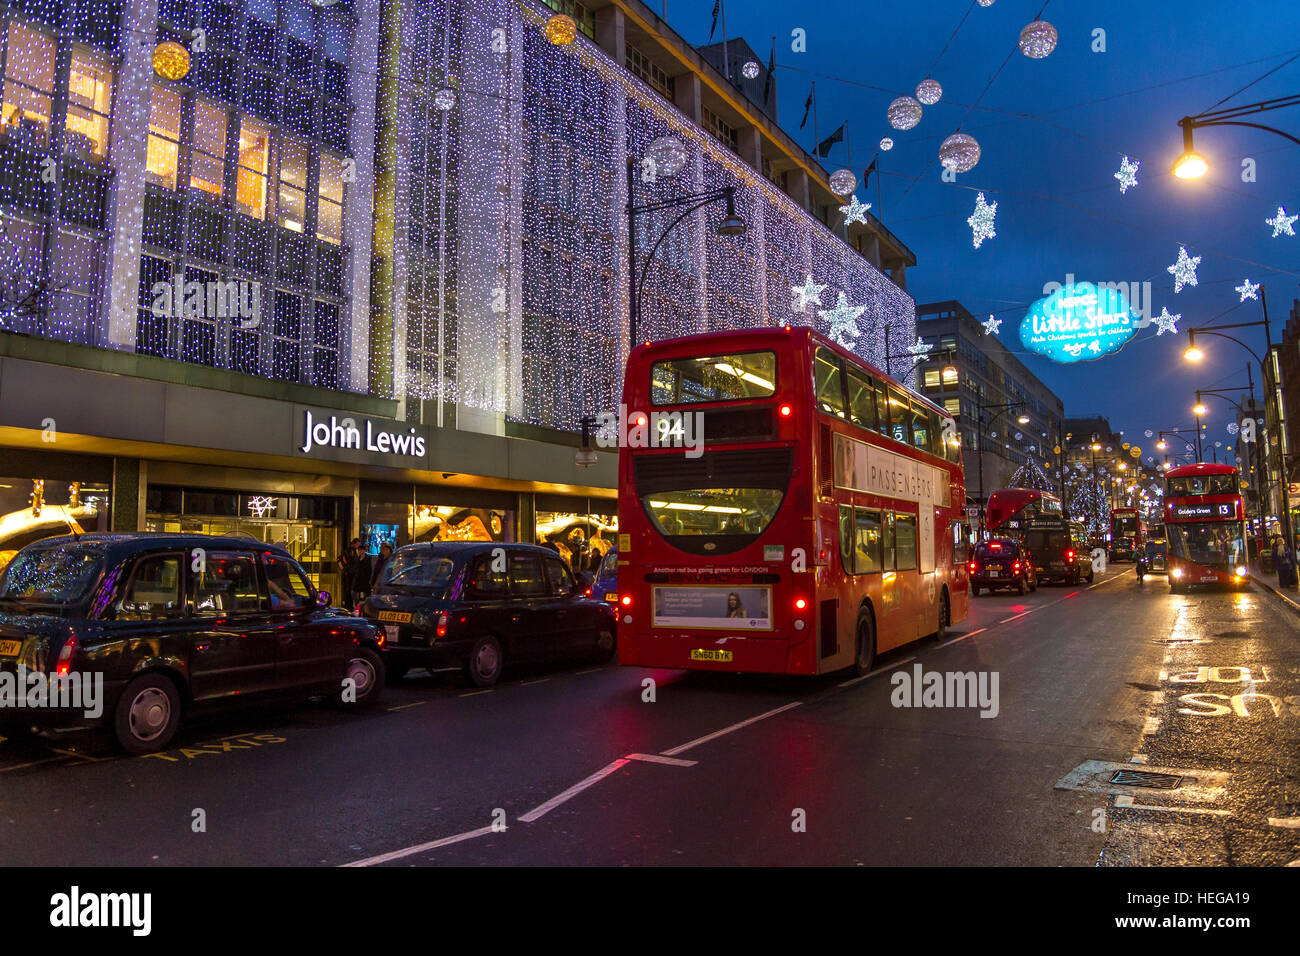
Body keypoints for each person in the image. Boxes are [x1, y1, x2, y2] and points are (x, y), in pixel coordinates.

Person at [337, 538, 373, 612]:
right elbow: (347, 561)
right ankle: (351, 606)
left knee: (353, 591)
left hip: (354, 575)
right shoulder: (350, 551)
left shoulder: (353, 552)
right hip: (351, 574)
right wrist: (347, 570)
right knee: (351, 591)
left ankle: (353, 606)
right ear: (355, 543)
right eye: (358, 545)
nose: (358, 548)